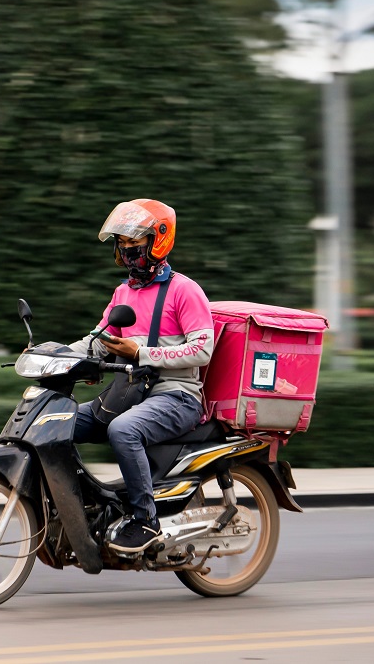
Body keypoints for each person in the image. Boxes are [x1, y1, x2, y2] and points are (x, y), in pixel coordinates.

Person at [68, 199, 215, 553]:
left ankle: (144, 520)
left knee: (124, 429)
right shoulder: (123, 293)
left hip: (177, 396)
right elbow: (99, 342)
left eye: (136, 243)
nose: (128, 251)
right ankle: (80, 505)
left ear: (159, 240)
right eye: (123, 244)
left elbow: (203, 349)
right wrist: (54, 356)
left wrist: (142, 353)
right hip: (132, 391)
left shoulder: (185, 290)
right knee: (60, 421)